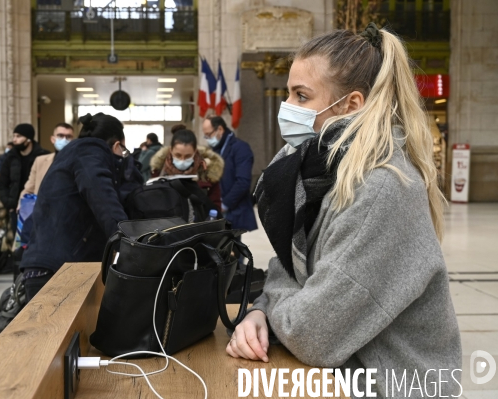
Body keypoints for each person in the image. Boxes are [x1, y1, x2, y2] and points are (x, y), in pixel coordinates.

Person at [226, 24, 461, 396]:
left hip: (391, 382)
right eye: (289, 93)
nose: (288, 107)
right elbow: (291, 267)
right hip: (347, 370)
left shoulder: (382, 186)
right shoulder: (313, 169)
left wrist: (273, 311)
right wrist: (259, 310)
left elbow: (314, 334)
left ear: (351, 105)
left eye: (302, 96)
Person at [19, 113, 142, 302]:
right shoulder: (90, 153)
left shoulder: (74, 153)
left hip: (50, 267)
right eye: (123, 152)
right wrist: (135, 251)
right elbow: (105, 203)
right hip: (57, 273)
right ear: (117, 145)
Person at [202, 116, 257, 232]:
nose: (207, 139)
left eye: (209, 135)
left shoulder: (240, 148)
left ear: (220, 129)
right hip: (215, 209)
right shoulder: (213, 150)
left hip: (233, 210)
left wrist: (224, 204)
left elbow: (243, 182)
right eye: (205, 136)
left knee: (231, 248)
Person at [150, 126, 224, 212]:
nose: (182, 160)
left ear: (195, 152)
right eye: (178, 155)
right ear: (171, 151)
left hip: (199, 223)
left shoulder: (207, 173)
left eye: (188, 156)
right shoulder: (159, 171)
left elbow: (216, 211)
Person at [0, 124, 49, 235]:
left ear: (28, 139)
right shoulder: (9, 158)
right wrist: (9, 204)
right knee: (20, 242)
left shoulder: (42, 156)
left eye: (19, 136)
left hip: (37, 206)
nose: (14, 140)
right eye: (14, 136)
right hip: (16, 208)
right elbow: (2, 183)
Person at [17, 122, 74, 208]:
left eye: (68, 137)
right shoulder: (40, 161)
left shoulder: (79, 162)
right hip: (43, 211)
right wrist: (22, 207)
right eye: (60, 136)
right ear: (52, 139)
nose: (64, 139)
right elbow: (29, 189)